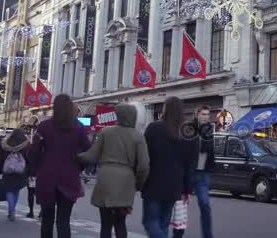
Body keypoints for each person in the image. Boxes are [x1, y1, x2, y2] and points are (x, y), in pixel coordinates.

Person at [79, 103, 150, 238]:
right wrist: (138, 184)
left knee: (105, 224)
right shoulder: (138, 136)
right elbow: (144, 165)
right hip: (126, 182)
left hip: (105, 179)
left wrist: (75, 157)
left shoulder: (106, 132)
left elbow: (91, 155)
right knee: (120, 223)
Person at [28, 94, 92, 238]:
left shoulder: (44, 126)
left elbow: (34, 151)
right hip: (69, 177)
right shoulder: (78, 127)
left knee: (47, 220)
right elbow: (88, 152)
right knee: (63, 221)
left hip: (47, 176)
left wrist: (35, 169)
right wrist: (78, 167)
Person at [142, 97, 195, 238]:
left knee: (150, 222)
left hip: (153, 182)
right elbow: (190, 164)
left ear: (165, 109)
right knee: (163, 223)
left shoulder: (154, 128)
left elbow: (143, 156)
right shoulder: (187, 132)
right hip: (175, 185)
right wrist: (187, 189)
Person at [187, 105, 215, 238]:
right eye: (203, 114)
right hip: (188, 172)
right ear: (197, 114)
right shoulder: (189, 128)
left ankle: (207, 235)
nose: (206, 117)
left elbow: (209, 149)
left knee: (205, 204)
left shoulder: (209, 130)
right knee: (179, 205)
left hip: (202, 173)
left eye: (207, 114)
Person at [0, 128, 29, 221]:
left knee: (9, 190)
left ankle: (11, 209)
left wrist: (0, 168)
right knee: (16, 190)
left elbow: (2, 156)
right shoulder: (26, 143)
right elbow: (29, 157)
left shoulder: (6, 143)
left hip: (8, 170)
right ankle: (12, 209)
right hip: (21, 171)